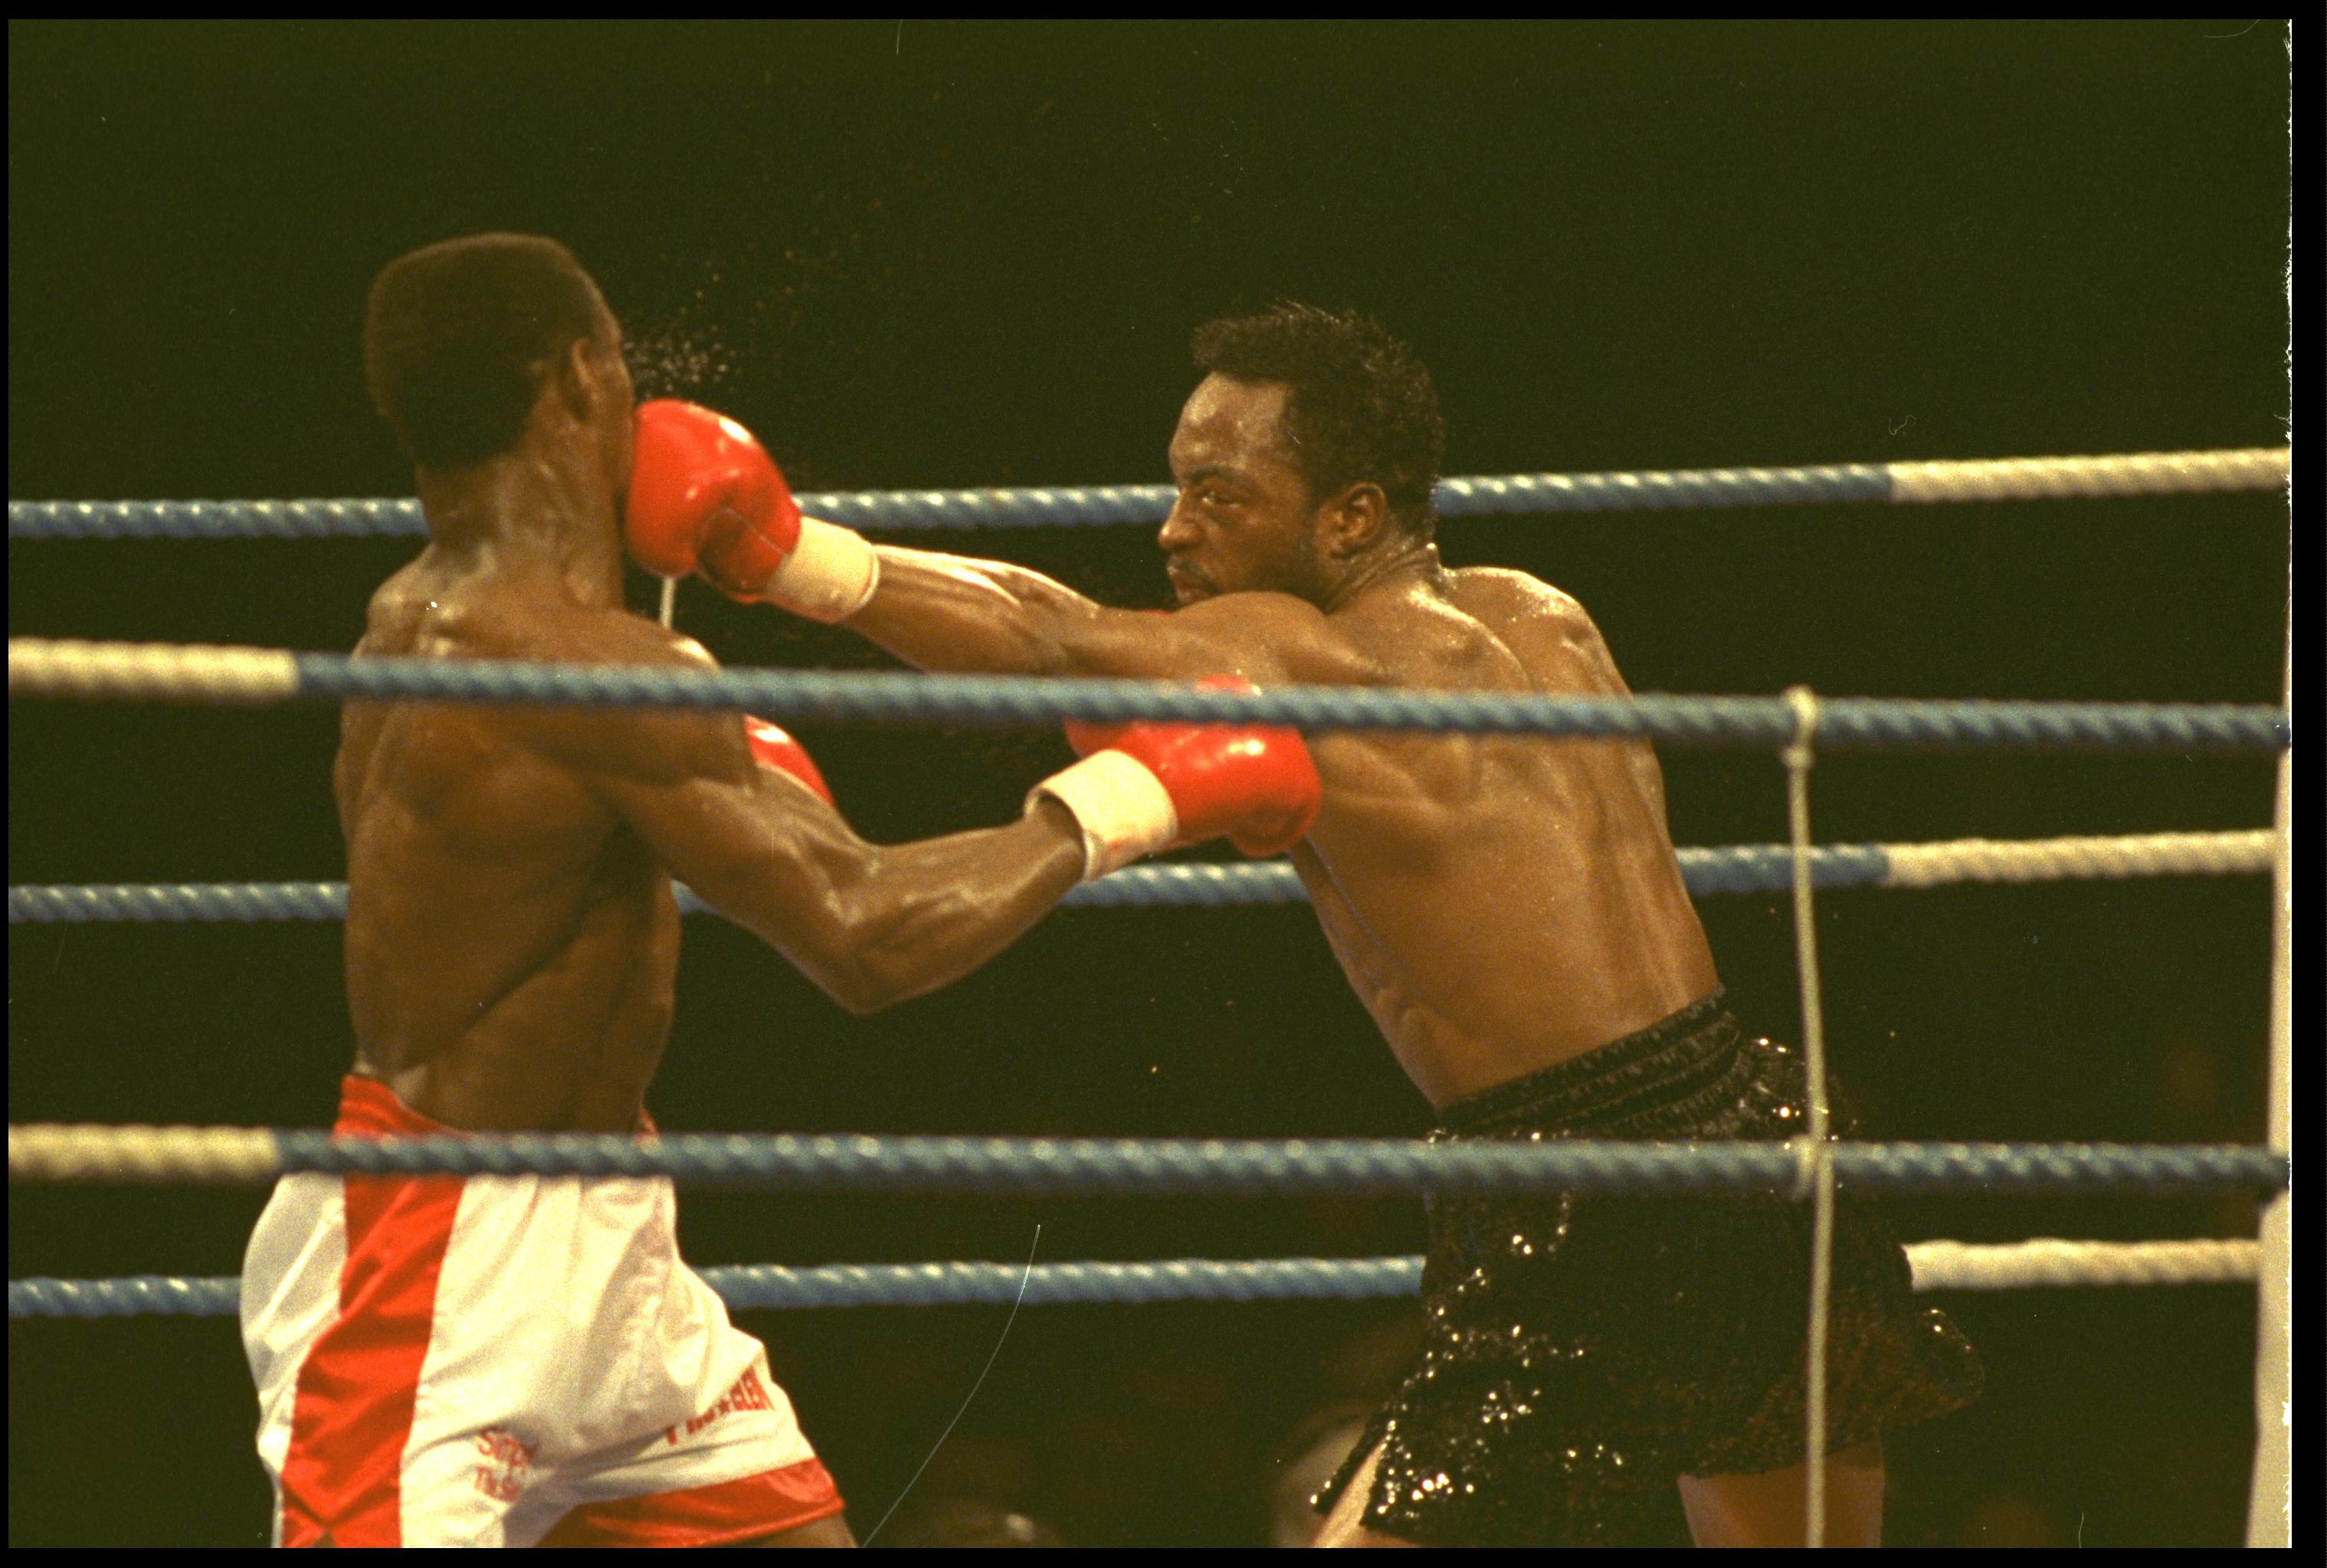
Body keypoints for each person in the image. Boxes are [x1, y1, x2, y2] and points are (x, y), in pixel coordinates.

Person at [676, 302, 1983, 1547]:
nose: (1175, 530)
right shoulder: (1544, 615)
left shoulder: (1302, 657)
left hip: (1579, 1188)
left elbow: (1048, 634)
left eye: (1220, 495)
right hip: (1757, 1138)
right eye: (1178, 487)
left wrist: (789, 557)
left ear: (1352, 515)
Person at [237, 235, 1321, 1549]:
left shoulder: (428, 617)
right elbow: (863, 938)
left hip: (610, 1239)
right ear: (578, 378)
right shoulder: (591, 671)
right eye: (621, 370)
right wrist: (1136, 796)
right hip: (437, 1268)